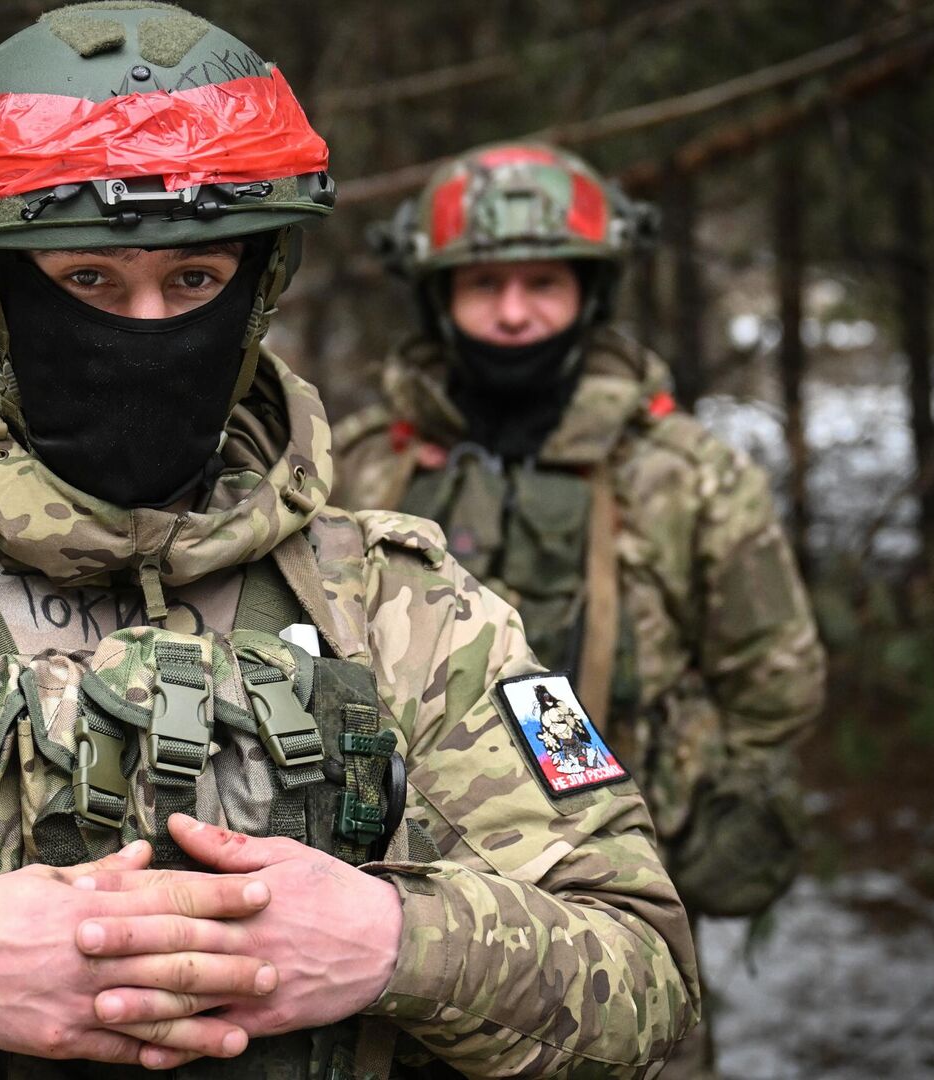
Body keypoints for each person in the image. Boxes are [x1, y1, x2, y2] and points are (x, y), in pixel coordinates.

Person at [0, 8, 699, 1078]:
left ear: (255, 296)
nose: (147, 331)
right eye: (88, 279)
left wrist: (399, 942)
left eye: (194, 279)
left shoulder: (409, 611)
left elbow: (645, 975)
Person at [333, 141, 826, 1078]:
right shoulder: (360, 465)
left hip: (610, 908)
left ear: (590, 293)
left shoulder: (683, 473)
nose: (515, 312)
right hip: (390, 909)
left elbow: (776, 679)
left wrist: (694, 797)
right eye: (485, 284)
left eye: (545, 283)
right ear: (438, 296)